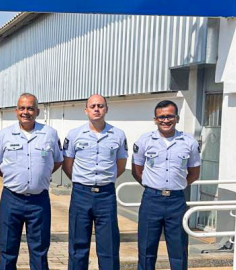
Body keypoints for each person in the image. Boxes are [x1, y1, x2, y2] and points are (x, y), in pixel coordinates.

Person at [0, 93, 63, 270]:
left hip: (39, 201)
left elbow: (57, 161)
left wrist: (41, 176)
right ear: (16, 111)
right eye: (22, 108)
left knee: (39, 251)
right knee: (8, 250)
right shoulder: (4, 135)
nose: (26, 112)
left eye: (30, 108)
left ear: (37, 111)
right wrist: (15, 178)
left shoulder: (50, 134)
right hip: (11, 199)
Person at [61, 95, 128, 270]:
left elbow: (120, 166)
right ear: (86, 110)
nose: (96, 109)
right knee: (78, 245)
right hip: (81, 194)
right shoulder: (74, 134)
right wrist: (83, 183)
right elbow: (68, 166)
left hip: (106, 195)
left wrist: (104, 181)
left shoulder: (118, 135)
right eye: (92, 106)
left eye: (100, 106)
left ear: (106, 109)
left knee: (109, 245)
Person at [132, 100, 200, 270]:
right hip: (151, 201)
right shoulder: (145, 140)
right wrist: (153, 185)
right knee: (146, 250)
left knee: (178, 250)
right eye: (161, 117)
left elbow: (194, 172)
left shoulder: (188, 142)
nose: (165, 120)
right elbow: (136, 170)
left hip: (176, 201)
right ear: (155, 119)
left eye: (170, 116)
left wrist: (177, 186)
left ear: (176, 118)